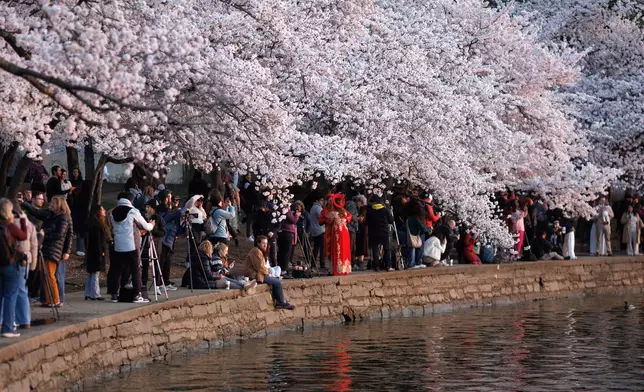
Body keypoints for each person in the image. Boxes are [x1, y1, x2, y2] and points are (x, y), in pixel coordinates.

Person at [22, 196, 73, 307]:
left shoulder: (63, 217)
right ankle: (48, 299)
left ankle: (55, 299)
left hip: (54, 249)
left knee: (50, 275)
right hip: (47, 248)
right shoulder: (50, 214)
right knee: (45, 276)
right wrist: (24, 203)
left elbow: (61, 234)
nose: (50, 205)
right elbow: (36, 212)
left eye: (53, 203)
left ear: (59, 205)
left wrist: (43, 235)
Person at [108, 192, 155, 303]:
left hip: (118, 245)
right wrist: (152, 225)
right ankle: (137, 295)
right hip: (131, 245)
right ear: (131, 201)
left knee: (117, 270)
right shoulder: (133, 211)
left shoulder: (113, 212)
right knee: (136, 269)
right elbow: (145, 226)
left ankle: (114, 295)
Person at [0, 198, 29, 338]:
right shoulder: (9, 226)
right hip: (9, 264)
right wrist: (23, 219)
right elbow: (23, 236)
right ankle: (7, 327)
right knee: (10, 296)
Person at [244, 236, 295, 309]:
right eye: (263, 243)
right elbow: (259, 267)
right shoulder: (256, 251)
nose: (265, 245)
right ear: (258, 243)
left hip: (259, 273)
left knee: (276, 278)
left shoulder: (260, 251)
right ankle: (280, 302)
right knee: (277, 282)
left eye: (266, 243)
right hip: (254, 275)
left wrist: (269, 273)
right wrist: (268, 273)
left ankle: (278, 300)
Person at [13, 200, 38, 330]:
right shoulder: (29, 224)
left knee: (11, 292)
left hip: (14, 260)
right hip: (26, 260)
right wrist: (33, 263)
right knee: (22, 290)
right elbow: (34, 245)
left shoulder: (11, 224)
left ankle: (11, 319)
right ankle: (24, 319)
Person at [320, 193, 352, 276]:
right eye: (329, 200)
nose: (330, 202)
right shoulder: (341, 211)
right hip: (337, 232)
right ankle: (342, 268)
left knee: (337, 250)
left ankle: (337, 269)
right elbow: (321, 221)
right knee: (338, 250)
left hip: (336, 232)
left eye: (332, 200)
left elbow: (349, 216)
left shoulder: (333, 212)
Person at [84, 205, 111, 300]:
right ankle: (95, 294)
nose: (104, 211)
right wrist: (101, 251)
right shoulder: (97, 225)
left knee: (91, 273)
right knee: (95, 273)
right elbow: (98, 241)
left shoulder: (91, 223)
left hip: (91, 251)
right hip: (96, 251)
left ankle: (88, 292)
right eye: (102, 210)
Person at [365, 197, 393, 271]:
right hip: (384, 232)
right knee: (387, 249)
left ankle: (376, 266)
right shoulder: (385, 210)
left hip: (373, 233)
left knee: (375, 249)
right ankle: (388, 265)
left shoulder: (370, 211)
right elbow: (391, 221)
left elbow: (366, 222)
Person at [276, 201, 301, 275]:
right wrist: (297, 215)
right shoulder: (286, 209)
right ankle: (283, 269)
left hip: (280, 231)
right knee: (286, 252)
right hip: (287, 232)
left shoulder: (278, 208)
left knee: (281, 251)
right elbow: (293, 220)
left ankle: (279, 267)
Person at [309, 194, 326, 270]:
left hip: (314, 230)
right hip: (320, 230)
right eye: (321, 200)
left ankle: (313, 264)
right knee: (322, 248)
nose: (322, 202)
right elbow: (322, 218)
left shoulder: (313, 208)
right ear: (317, 201)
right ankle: (322, 265)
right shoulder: (318, 208)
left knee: (316, 248)